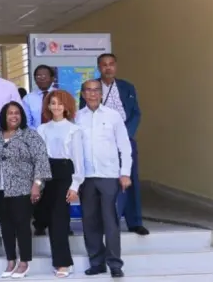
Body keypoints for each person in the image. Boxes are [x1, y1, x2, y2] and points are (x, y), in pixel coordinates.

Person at [81, 53, 146, 236]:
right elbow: (83, 112)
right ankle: (107, 222)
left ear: (116, 66)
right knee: (104, 184)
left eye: (111, 64)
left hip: (125, 138)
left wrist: (126, 134)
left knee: (129, 179)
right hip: (101, 142)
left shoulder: (127, 87)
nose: (108, 68)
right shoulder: (91, 88)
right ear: (98, 67)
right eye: (104, 65)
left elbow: (136, 113)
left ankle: (135, 222)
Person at [77, 79, 133, 278]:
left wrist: (125, 173)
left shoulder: (113, 116)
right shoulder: (77, 117)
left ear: (101, 94)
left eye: (96, 90)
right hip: (86, 177)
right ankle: (96, 262)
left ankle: (115, 264)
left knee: (110, 221)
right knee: (89, 221)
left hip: (109, 176)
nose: (92, 94)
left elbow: (124, 146)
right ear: (83, 94)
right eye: (88, 90)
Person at [0, 102, 51, 279]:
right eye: (10, 113)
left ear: (22, 116)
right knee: (6, 226)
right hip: (0, 189)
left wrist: (37, 185)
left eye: (17, 113)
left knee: (22, 226)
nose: (13, 116)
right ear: (4, 116)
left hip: (23, 189)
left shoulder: (30, 135)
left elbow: (41, 160)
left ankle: (24, 262)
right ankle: (10, 260)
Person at [35, 89, 85, 278]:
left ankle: (63, 262)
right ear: (48, 106)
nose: (56, 107)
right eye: (53, 103)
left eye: (60, 103)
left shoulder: (74, 130)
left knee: (59, 220)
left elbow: (78, 161)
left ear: (67, 106)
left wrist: (75, 186)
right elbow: (39, 158)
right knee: (45, 216)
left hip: (64, 173)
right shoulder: (42, 129)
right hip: (46, 173)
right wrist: (37, 182)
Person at [23, 65, 55, 130]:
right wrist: (38, 133)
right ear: (35, 79)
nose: (42, 78)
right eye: (38, 76)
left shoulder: (61, 96)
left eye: (45, 76)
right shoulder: (28, 99)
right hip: (35, 134)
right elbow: (27, 123)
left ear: (52, 78)